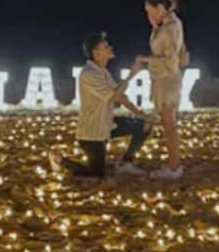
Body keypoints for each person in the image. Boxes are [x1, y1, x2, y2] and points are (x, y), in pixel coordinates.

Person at [49, 32, 152, 179]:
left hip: (107, 126)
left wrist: (140, 114)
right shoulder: (89, 74)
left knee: (144, 124)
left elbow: (121, 96)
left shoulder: (102, 71)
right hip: (92, 134)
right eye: (106, 46)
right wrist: (131, 74)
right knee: (97, 175)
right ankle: (60, 161)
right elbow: (113, 96)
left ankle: (126, 163)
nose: (110, 48)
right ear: (96, 53)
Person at [136, 0, 188, 180]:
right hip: (166, 78)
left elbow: (170, 59)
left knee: (169, 124)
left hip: (167, 79)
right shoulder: (171, 24)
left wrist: (144, 59)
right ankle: (174, 165)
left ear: (159, 8)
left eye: (150, 11)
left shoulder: (169, 29)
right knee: (168, 123)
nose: (148, 16)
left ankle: (174, 167)